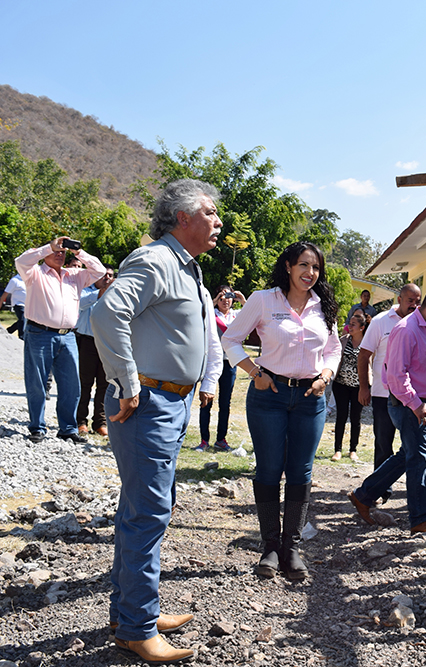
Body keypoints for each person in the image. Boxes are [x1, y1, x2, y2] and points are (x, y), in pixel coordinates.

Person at [91, 178, 224, 663]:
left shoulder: (185, 268)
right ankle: (136, 627)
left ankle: (131, 611)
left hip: (169, 404)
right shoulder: (156, 260)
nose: (219, 222)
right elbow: (108, 315)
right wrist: (127, 383)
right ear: (182, 218)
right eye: (210, 213)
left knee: (144, 510)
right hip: (146, 403)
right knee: (147, 515)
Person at [221, 241, 341, 581]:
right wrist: (253, 373)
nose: (310, 273)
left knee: (301, 472)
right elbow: (230, 338)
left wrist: (326, 376)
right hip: (269, 395)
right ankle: (270, 547)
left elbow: (334, 348)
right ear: (288, 266)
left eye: (316, 267)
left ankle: (292, 547)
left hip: (309, 398)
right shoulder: (263, 300)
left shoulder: (323, 306)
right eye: (304, 265)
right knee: (270, 469)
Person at [348, 287, 426, 534]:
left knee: (408, 455)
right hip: (406, 404)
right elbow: (396, 376)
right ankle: (418, 519)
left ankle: (363, 495)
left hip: (420, 401)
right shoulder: (406, 329)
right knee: (419, 459)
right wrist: (417, 404)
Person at [16, 237, 105, 443]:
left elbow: (99, 271)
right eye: (56, 250)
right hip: (40, 333)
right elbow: (21, 261)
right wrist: (48, 247)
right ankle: (37, 427)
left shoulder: (74, 275)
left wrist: (79, 252)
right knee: (37, 383)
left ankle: (67, 428)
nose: (60, 253)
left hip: (68, 336)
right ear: (46, 251)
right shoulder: (35, 273)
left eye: (63, 251)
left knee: (71, 384)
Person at [358, 284, 421, 474]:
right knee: (383, 443)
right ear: (399, 299)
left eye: (418, 302)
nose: (414, 306)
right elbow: (363, 355)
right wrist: (364, 387)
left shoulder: (421, 323)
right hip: (383, 394)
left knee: (413, 445)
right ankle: (380, 489)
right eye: (410, 301)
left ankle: (417, 488)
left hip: (412, 396)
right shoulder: (380, 321)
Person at [197, 284, 246, 452]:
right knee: (206, 401)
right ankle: (204, 440)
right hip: (211, 361)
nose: (226, 300)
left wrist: (242, 299)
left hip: (229, 363)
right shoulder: (212, 314)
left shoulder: (237, 315)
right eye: (222, 297)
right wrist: (214, 301)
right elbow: (201, 312)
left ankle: (221, 439)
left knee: (225, 402)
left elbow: (253, 316)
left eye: (229, 297)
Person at [75, 268, 115, 436]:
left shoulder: (116, 294)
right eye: (104, 275)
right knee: (84, 384)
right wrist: (101, 292)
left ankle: (100, 422)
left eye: (111, 275)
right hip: (87, 342)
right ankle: (80, 421)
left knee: (104, 385)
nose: (107, 278)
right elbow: (81, 303)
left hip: (107, 342)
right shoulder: (85, 290)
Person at [330, 310, 369, 461]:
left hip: (359, 387)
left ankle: (353, 449)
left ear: (361, 327)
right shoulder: (343, 340)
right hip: (341, 385)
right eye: (349, 323)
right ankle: (337, 450)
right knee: (341, 416)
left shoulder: (367, 343)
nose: (349, 326)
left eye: (353, 324)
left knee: (355, 418)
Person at [1, 273, 27, 338]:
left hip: (27, 305)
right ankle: (22, 337)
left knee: (24, 319)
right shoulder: (15, 280)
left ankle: (9, 330)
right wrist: (0, 302)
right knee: (22, 320)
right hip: (18, 304)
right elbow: (6, 292)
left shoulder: (28, 280)